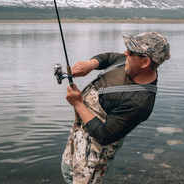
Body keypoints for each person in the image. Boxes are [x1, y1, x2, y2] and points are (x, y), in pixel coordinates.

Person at [61, 31, 170, 184]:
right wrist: (90, 65)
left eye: (130, 51)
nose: (125, 53)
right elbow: (111, 58)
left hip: (96, 149)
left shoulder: (140, 103)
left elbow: (105, 136)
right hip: (81, 129)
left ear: (145, 62)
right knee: (67, 171)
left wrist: (78, 104)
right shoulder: (129, 63)